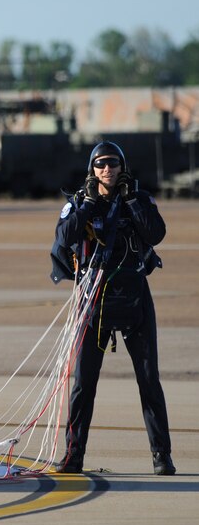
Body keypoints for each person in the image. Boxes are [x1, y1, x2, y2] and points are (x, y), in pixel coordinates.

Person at [49, 141, 175, 475]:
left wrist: (131, 200)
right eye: (101, 164)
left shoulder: (139, 198)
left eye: (113, 163)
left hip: (134, 300)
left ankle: (162, 455)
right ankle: (73, 456)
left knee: (149, 380)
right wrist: (89, 205)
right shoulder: (79, 202)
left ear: (122, 167)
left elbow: (156, 233)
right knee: (83, 384)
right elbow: (63, 237)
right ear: (92, 169)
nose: (107, 169)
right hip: (93, 302)